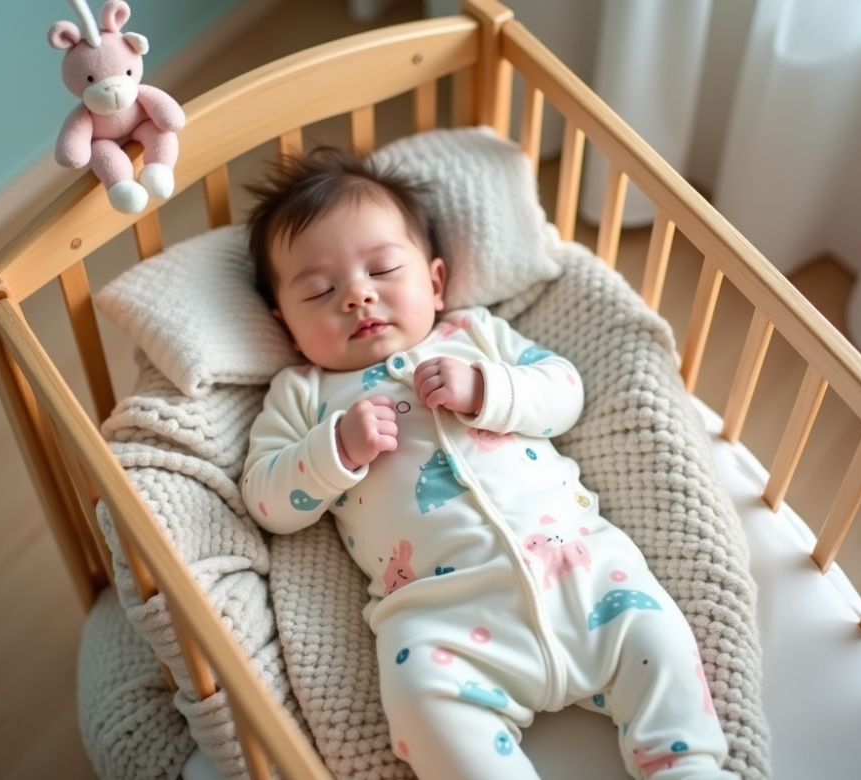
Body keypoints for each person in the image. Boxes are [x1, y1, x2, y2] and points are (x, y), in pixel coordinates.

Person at [240, 147, 735, 780]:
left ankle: (686, 767)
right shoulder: (302, 394)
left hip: (582, 568)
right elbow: (265, 499)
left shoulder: (475, 336)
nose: (358, 297)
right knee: (422, 702)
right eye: (320, 290)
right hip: (440, 615)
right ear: (285, 323)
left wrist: (488, 391)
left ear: (436, 283)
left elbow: (564, 392)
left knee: (659, 639)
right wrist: (333, 449)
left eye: (384, 269)